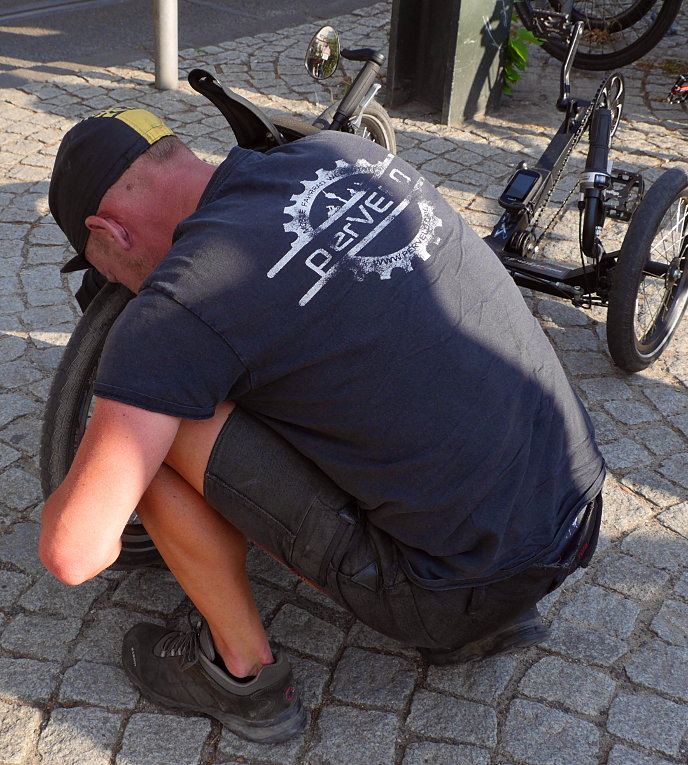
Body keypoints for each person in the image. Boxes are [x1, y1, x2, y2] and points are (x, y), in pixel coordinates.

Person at [40, 107, 605, 744]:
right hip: (575, 510)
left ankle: (241, 675)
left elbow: (74, 553)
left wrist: (102, 456)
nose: (113, 283)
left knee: (157, 430)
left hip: (450, 592)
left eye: (101, 266)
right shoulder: (336, 153)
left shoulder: (175, 309)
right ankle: (492, 596)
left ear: (107, 229)